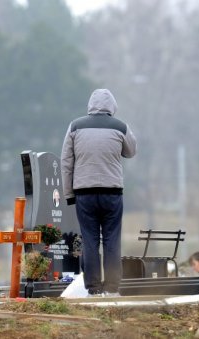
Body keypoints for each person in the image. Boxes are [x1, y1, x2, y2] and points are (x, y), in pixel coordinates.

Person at [61, 88, 137, 296]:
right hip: (112, 193)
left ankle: (93, 290)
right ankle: (112, 289)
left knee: (90, 240)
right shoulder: (120, 126)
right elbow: (131, 151)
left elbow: (66, 162)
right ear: (112, 106)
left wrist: (69, 193)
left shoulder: (75, 126)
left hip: (84, 193)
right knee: (112, 239)